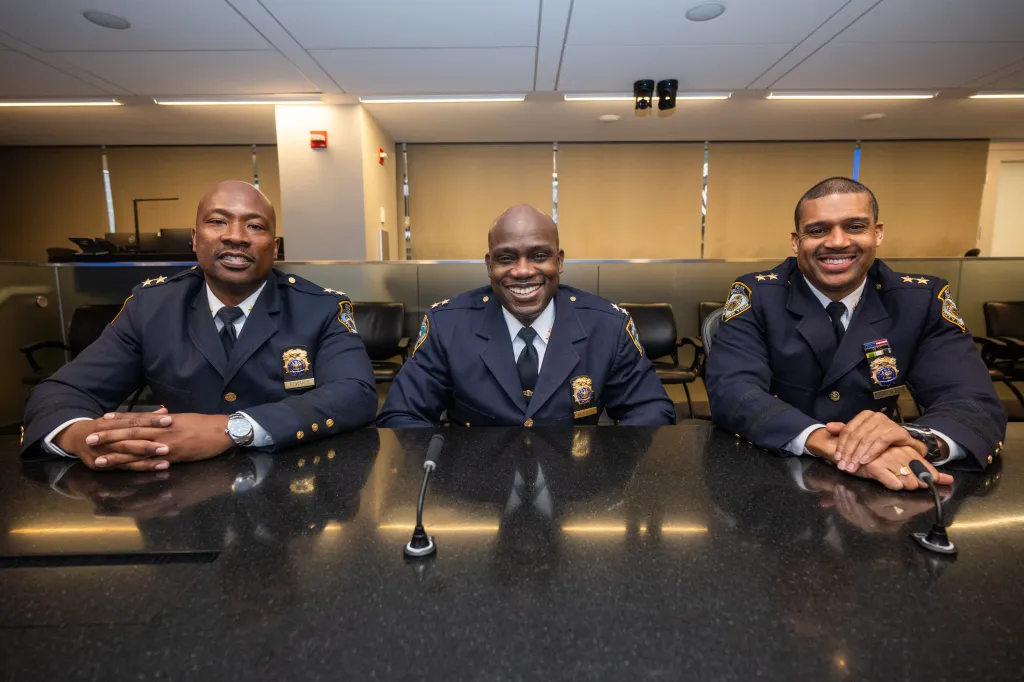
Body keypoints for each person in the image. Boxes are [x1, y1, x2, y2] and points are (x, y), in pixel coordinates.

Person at [21, 180, 377, 471]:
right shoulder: (152, 307)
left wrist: (232, 429)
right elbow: (60, 393)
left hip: (292, 484)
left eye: (254, 226)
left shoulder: (320, 307)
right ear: (195, 238)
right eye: (218, 221)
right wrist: (84, 437)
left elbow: (355, 394)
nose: (236, 236)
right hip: (172, 494)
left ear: (275, 246)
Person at [705, 177, 1006, 491]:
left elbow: (972, 400)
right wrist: (831, 444)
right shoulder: (757, 294)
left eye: (855, 226)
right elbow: (734, 390)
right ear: (796, 242)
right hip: (779, 471)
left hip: (888, 475)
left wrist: (916, 443)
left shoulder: (921, 299)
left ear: (877, 234)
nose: (837, 241)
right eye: (818, 230)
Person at [377, 204, 675, 428]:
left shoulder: (607, 326)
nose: (522, 271)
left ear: (559, 262)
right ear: (489, 264)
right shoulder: (447, 325)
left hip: (575, 492)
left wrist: (606, 477)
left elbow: (651, 410)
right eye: (506, 258)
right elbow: (402, 415)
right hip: (476, 498)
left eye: (538, 256)